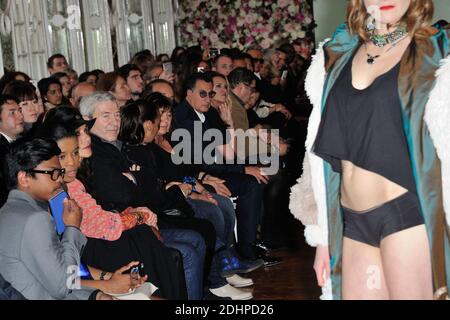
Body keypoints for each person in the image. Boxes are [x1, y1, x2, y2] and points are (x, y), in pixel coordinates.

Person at [290, 0, 450, 300]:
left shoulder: (436, 53)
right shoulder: (336, 54)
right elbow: (317, 151)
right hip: (351, 222)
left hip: (406, 215)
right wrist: (323, 236)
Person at [0, 138, 113, 300]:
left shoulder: (7, 212)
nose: (59, 179)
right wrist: (72, 228)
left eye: (59, 172)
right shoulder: (35, 219)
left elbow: (49, 282)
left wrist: (93, 295)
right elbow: (63, 286)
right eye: (52, 173)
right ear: (24, 178)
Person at [0, 95, 24, 207]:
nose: (20, 115)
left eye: (19, 110)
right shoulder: (2, 151)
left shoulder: (22, 140)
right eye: (12, 112)